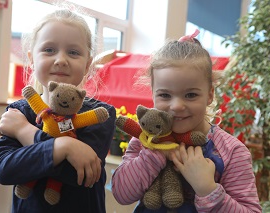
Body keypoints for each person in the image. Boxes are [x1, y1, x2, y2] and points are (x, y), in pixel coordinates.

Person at [111, 30, 262, 213]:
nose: (176, 106)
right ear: (153, 94)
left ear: (210, 95)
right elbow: (121, 194)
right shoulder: (145, 140)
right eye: (165, 95)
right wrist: (155, 154)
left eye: (191, 95)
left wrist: (207, 189)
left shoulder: (232, 152)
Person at [0, 6, 116, 213]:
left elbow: (78, 174)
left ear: (87, 65)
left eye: (74, 52)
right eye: (49, 50)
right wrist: (64, 147)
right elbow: (4, 169)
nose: (61, 60)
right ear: (32, 59)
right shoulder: (19, 112)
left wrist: (26, 132)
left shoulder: (100, 114)